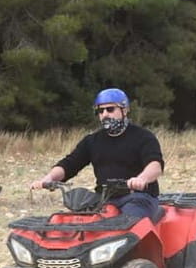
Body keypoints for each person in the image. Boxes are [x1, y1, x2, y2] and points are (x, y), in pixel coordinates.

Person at [30, 88, 164, 220]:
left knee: (128, 225)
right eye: (100, 111)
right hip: (104, 199)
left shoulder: (143, 137)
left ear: (125, 110)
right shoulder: (92, 141)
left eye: (110, 109)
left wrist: (141, 179)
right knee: (79, 224)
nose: (105, 114)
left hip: (138, 197)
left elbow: (155, 165)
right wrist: (48, 178)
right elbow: (69, 164)